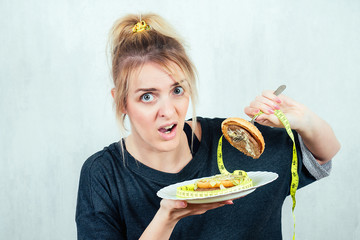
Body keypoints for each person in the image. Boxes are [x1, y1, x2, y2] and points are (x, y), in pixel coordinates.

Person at [75, 13, 340, 240]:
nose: (168, 111)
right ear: (121, 102)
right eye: (147, 96)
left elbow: (324, 153)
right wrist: (166, 218)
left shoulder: (236, 143)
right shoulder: (102, 175)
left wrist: (302, 119)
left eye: (177, 90)